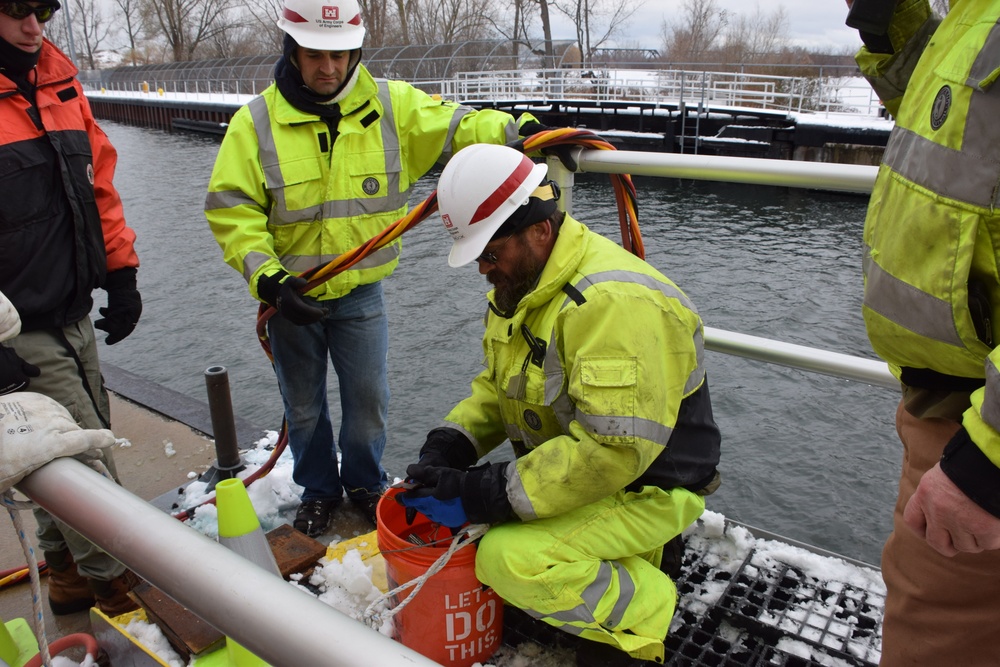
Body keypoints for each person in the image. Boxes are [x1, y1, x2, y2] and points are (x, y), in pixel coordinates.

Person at [204, 0, 547, 535]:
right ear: (292, 50)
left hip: (361, 294)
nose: (329, 68)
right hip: (289, 296)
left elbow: (456, 124)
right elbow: (232, 210)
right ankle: (318, 490)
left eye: (340, 55)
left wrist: (512, 128)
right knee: (305, 408)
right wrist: (268, 278)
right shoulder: (256, 124)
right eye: (315, 54)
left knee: (368, 404)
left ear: (356, 50)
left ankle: (363, 484)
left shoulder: (391, 106)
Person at [397, 143, 722, 667]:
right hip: (590, 473)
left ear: (539, 231)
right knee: (498, 524)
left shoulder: (612, 305)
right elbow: (500, 385)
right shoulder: (524, 285)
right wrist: (449, 446)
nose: (483, 269)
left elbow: (611, 453)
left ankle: (645, 608)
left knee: (506, 557)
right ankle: (636, 558)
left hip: (649, 487)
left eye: (490, 253)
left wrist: (485, 492)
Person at [847, 0, 1000, 664]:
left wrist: (988, 462)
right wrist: (891, 28)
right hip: (955, 409)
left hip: (977, 424)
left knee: (936, 639)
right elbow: (952, 132)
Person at [0, 0, 142, 616]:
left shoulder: (60, 85)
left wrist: (122, 270)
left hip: (71, 313)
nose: (34, 26)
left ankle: (66, 577)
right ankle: (120, 583)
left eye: (44, 8)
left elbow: (99, 187)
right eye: (14, 10)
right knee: (87, 461)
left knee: (60, 454)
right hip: (18, 328)